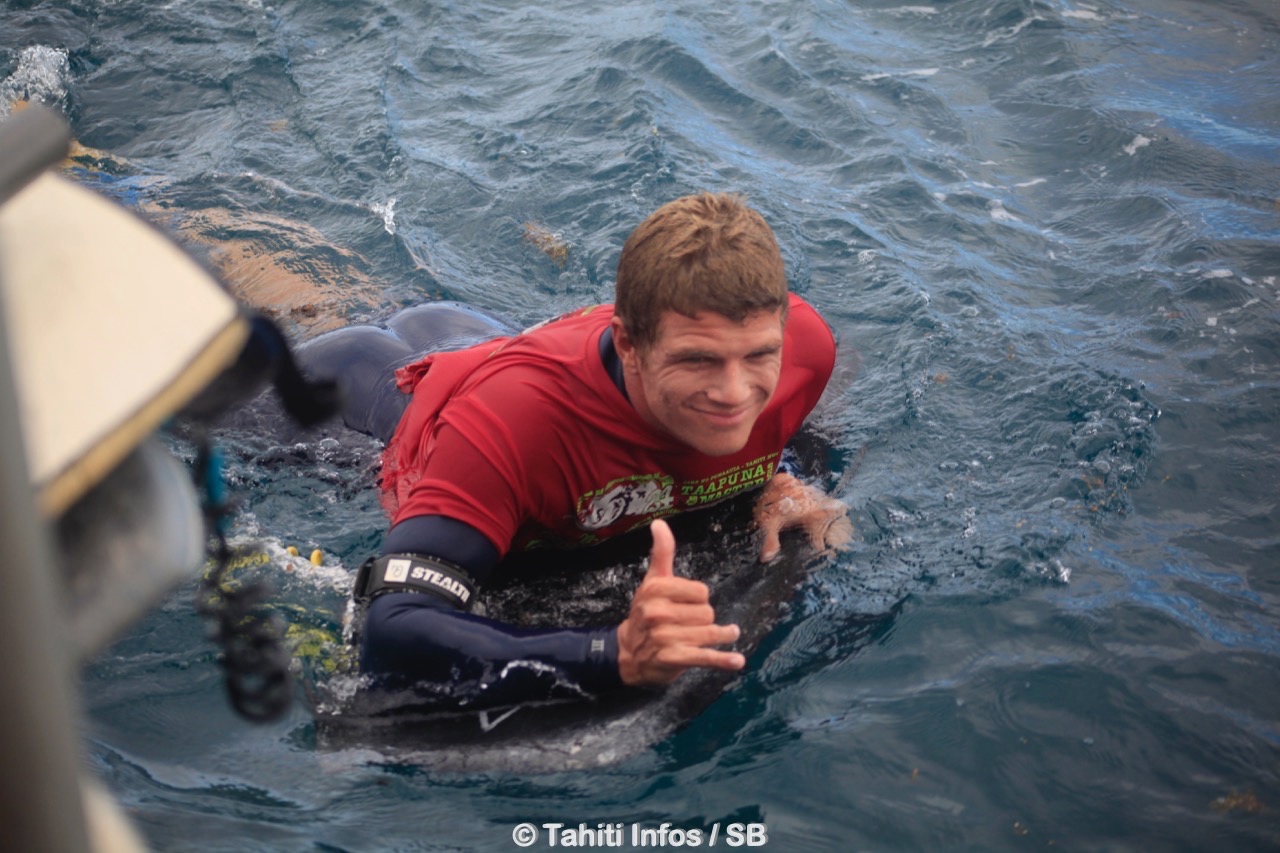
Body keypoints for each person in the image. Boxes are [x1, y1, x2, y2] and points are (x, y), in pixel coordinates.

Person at [313, 192, 851, 707]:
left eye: (759, 356)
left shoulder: (806, 349)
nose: (735, 394)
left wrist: (783, 477)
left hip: (478, 332)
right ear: (628, 345)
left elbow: (782, 423)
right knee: (306, 301)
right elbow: (392, 626)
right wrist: (614, 654)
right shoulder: (515, 427)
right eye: (697, 361)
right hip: (355, 388)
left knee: (361, 291)